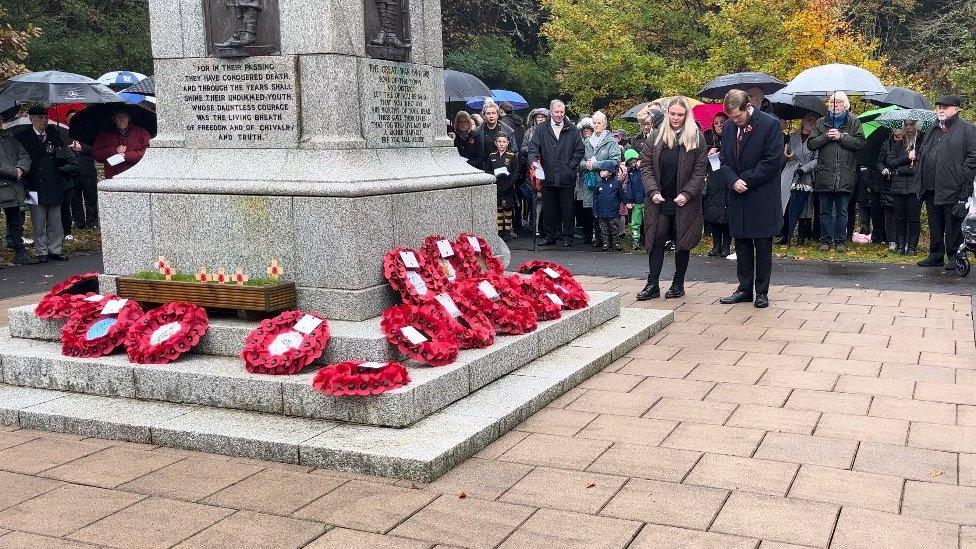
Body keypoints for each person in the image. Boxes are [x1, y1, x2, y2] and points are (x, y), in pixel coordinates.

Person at [716, 90, 785, 309]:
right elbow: (723, 159)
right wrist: (732, 180)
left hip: (761, 193)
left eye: (738, 116)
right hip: (737, 193)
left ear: (747, 107)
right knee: (742, 243)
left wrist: (745, 180)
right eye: (732, 118)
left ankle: (761, 292)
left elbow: (773, 161)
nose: (735, 121)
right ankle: (744, 288)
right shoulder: (728, 127)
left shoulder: (770, 124)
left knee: (762, 245)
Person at [636, 97, 708, 300]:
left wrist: (687, 194)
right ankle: (653, 284)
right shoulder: (656, 137)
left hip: (684, 201)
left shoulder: (697, 138)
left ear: (686, 116)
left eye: (680, 114)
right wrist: (652, 191)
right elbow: (646, 167)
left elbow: (699, 171)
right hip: (659, 200)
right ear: (668, 114)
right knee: (656, 240)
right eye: (673, 114)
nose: (676, 118)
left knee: (681, 241)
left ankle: (678, 283)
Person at [916, 95, 976, 269]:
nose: (941, 110)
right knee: (935, 223)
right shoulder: (932, 128)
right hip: (931, 185)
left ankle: (955, 256)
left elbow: (972, 156)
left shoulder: (967, 129)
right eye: (939, 107)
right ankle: (936, 255)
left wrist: (963, 176)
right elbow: (925, 152)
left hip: (953, 185)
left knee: (953, 224)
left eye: (946, 107)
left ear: (956, 109)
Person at [15, 106, 77, 263]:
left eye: (45, 117)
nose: (44, 120)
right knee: (38, 220)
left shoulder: (54, 134)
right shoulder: (23, 137)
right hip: (34, 184)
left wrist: (62, 166)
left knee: (55, 220)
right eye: (40, 117)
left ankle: (55, 249)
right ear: (32, 119)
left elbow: (64, 156)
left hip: (54, 182)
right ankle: (41, 250)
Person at [807, 92, 866, 253]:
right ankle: (825, 240)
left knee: (842, 211)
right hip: (825, 173)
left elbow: (860, 143)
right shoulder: (821, 122)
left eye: (839, 102)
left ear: (845, 104)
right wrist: (826, 136)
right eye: (832, 102)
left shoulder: (854, 123)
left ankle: (840, 241)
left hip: (846, 173)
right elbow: (811, 144)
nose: (835, 104)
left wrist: (841, 137)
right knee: (824, 211)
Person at [527, 99, 585, 247]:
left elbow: (579, 151)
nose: (559, 115)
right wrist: (533, 162)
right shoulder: (541, 129)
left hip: (567, 177)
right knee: (549, 209)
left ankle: (567, 236)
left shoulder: (572, 129)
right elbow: (533, 147)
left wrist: (570, 167)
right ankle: (550, 235)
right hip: (548, 175)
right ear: (551, 112)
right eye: (556, 112)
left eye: (561, 112)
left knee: (567, 209)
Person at [579, 113, 621, 248]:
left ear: (605, 124)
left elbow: (616, 161)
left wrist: (596, 165)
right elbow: (578, 160)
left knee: (606, 212)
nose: (596, 125)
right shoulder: (586, 142)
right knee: (593, 210)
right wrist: (585, 165)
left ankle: (609, 241)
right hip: (590, 182)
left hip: (606, 182)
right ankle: (596, 239)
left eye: (599, 123)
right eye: (595, 123)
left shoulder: (611, 141)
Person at [0, 109, 35, 265]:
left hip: (13, 187)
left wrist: (21, 168)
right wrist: (14, 171)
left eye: (0, 119)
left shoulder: (9, 138)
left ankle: (20, 252)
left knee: (16, 222)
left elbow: (24, 155)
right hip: (6, 183)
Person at [880, 124, 921, 255]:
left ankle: (912, 247)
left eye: (911, 124)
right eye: (906, 124)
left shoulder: (922, 141)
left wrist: (915, 159)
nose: (908, 127)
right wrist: (906, 158)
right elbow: (890, 162)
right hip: (898, 186)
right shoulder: (899, 143)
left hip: (914, 186)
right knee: (899, 217)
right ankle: (900, 246)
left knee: (913, 218)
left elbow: (921, 165)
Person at [780, 113, 819, 246]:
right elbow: (786, 156)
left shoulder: (816, 140)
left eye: (813, 122)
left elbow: (817, 159)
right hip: (790, 173)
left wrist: (805, 168)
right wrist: (787, 153)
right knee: (787, 204)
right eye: (808, 120)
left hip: (805, 175)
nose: (810, 123)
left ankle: (802, 237)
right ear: (803, 122)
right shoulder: (792, 137)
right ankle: (785, 235)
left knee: (804, 207)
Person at [91, 109, 150, 179]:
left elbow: (148, 154)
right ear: (114, 119)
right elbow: (96, 154)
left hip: (136, 176)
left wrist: (126, 155)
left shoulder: (141, 133)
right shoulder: (105, 134)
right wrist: (115, 151)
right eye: (119, 117)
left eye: (125, 117)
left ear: (129, 118)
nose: (122, 120)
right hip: (112, 177)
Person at [66, 109, 99, 230]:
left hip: (88, 170)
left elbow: (96, 150)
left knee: (91, 198)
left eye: (75, 117)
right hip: (72, 172)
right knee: (75, 199)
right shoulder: (64, 134)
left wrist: (82, 148)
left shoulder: (88, 132)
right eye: (70, 117)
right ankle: (79, 222)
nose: (73, 120)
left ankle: (92, 222)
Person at [704, 111, 731, 256]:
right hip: (714, 179)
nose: (720, 125)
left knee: (727, 214)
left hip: (728, 178)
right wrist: (708, 154)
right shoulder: (708, 138)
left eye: (722, 122)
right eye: (716, 123)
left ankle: (726, 246)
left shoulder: (732, 138)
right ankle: (716, 246)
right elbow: (700, 159)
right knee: (714, 212)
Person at [487, 133, 520, 241]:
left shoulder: (512, 155)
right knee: (499, 209)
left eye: (504, 142)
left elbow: (516, 171)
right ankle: (500, 231)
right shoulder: (492, 155)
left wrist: (510, 184)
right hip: (496, 186)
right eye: (499, 142)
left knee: (508, 209)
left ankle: (507, 231)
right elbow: (488, 170)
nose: (501, 144)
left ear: (508, 143)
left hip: (508, 186)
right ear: (496, 143)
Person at [593, 160, 626, 251]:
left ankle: (616, 243)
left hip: (613, 212)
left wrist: (627, 203)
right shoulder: (599, 184)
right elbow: (595, 198)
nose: (601, 172)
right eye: (600, 170)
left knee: (614, 229)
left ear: (610, 172)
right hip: (601, 212)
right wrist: (595, 211)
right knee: (603, 229)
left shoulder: (616, 183)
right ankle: (605, 244)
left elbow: (622, 195)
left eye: (604, 170)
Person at [474, 100, 516, 166]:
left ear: (497, 114)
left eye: (493, 113)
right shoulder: (477, 132)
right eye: (488, 113)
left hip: (504, 167)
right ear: (484, 116)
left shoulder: (508, 130)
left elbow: (514, 151)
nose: (491, 116)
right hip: (485, 168)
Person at [623, 149, 646, 250]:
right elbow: (630, 187)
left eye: (634, 161)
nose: (633, 164)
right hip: (636, 202)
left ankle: (649, 240)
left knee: (649, 221)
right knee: (635, 222)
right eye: (630, 163)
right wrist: (629, 200)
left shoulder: (646, 170)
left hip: (647, 200)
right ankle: (635, 240)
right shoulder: (631, 173)